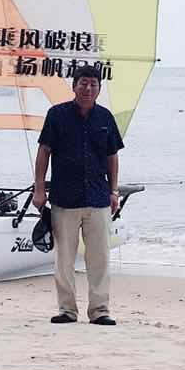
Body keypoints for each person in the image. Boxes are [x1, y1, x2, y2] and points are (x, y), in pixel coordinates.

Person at [32, 65, 124, 325]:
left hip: (98, 198)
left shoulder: (105, 117)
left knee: (100, 259)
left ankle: (100, 311)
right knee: (64, 259)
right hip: (64, 198)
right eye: (83, 83)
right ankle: (67, 310)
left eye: (93, 84)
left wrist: (114, 191)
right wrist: (39, 189)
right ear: (74, 86)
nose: (88, 88)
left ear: (99, 89)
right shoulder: (57, 115)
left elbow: (112, 156)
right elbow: (44, 152)